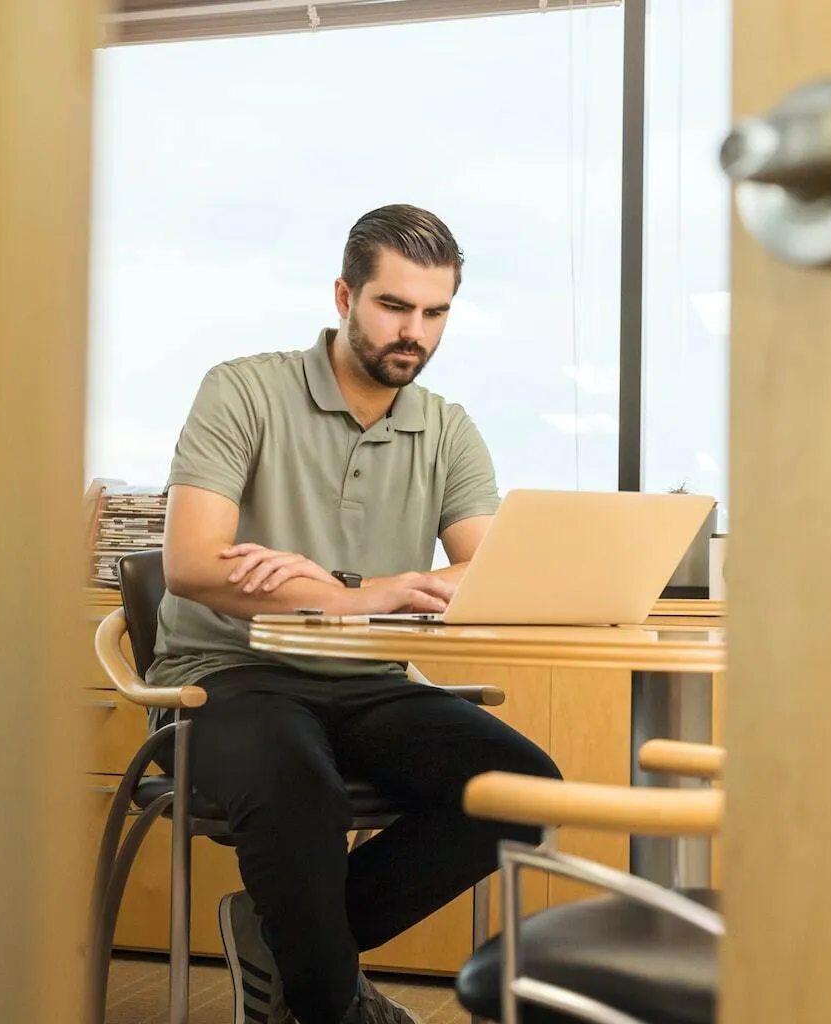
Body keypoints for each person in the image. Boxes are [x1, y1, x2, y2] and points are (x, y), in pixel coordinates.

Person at [149, 204, 561, 1024]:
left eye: (435, 313)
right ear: (344, 295)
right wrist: (357, 595)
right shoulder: (244, 389)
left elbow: (481, 568)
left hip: (370, 681)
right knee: (301, 790)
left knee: (522, 791)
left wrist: (347, 589)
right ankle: (333, 1003)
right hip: (229, 676)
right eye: (394, 307)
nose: (415, 332)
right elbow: (193, 564)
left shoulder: (446, 428)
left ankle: (291, 943)